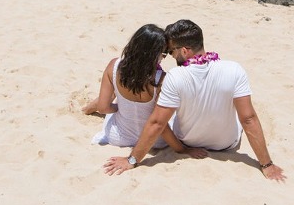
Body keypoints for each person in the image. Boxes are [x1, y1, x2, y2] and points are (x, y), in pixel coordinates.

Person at [103, 19, 286, 182]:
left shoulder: (174, 77)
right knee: (241, 113)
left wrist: (132, 160)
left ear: (184, 50)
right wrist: (266, 164)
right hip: (225, 144)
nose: (171, 56)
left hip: (188, 142)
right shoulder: (234, 69)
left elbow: (158, 122)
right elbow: (248, 119)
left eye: (171, 51)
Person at [87, 23, 206, 157]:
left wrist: (119, 107)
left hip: (118, 136)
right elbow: (161, 126)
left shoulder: (113, 66)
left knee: (118, 89)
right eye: (164, 54)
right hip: (155, 142)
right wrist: (182, 149)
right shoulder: (161, 80)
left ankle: (86, 109)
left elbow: (103, 108)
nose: (163, 58)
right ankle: (87, 108)